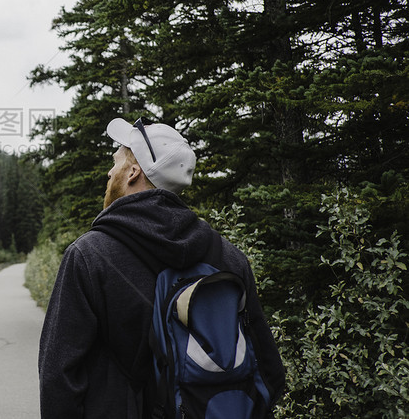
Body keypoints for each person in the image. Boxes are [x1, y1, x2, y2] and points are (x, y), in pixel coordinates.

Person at [38, 117, 285, 418]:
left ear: (132, 172)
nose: (109, 171)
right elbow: (269, 368)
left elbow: (58, 379)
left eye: (115, 161)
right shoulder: (228, 257)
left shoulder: (89, 256)